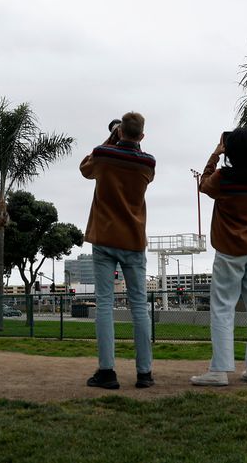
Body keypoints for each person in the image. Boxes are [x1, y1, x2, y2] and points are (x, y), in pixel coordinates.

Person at [191, 127, 247, 386]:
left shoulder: (222, 178)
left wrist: (215, 154)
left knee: (223, 309)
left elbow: (203, 184)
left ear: (230, 150)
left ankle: (219, 371)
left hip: (229, 251)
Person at [80, 112, 156, 389]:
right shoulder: (148, 162)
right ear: (142, 136)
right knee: (139, 307)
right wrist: (123, 138)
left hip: (104, 237)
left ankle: (107, 371)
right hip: (134, 239)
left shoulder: (104, 153)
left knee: (104, 304)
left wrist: (112, 137)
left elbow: (85, 167)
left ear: (120, 132)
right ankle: (144, 373)